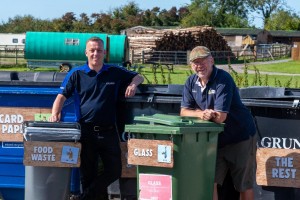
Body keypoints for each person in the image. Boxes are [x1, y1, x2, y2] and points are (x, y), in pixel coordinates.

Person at [49, 36, 144, 200]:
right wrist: (55, 113)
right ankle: (88, 195)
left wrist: (133, 84)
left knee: (114, 171)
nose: (95, 54)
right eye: (92, 50)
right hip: (86, 131)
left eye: (99, 50)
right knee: (88, 175)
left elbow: (139, 76)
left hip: (109, 131)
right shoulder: (76, 73)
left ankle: (84, 197)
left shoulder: (114, 71)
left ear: (104, 53)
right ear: (86, 52)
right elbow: (61, 96)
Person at [180, 46, 257, 200]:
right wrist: (202, 114)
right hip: (215, 140)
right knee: (209, 182)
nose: (199, 66)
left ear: (212, 60)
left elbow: (220, 117)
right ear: (191, 65)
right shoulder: (190, 82)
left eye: (203, 61)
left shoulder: (223, 79)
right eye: (195, 63)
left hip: (240, 137)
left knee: (243, 185)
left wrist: (209, 115)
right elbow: (183, 112)